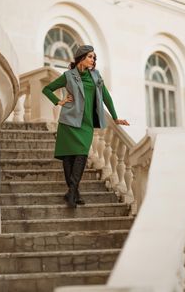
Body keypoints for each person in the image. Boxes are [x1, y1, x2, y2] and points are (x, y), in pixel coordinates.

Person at [42, 45, 129, 208]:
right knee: (68, 158)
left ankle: (72, 191)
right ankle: (74, 193)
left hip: (86, 124)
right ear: (81, 57)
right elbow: (47, 89)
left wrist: (116, 117)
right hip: (68, 121)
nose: (93, 60)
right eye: (90, 56)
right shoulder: (68, 76)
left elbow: (106, 97)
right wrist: (58, 101)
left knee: (81, 155)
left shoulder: (96, 76)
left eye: (94, 57)